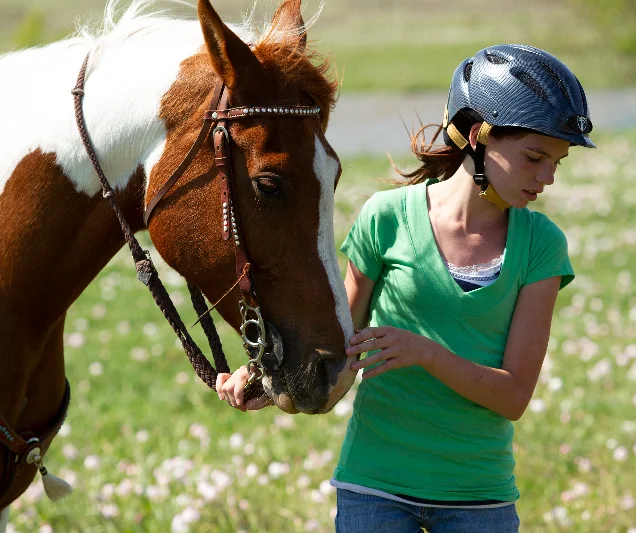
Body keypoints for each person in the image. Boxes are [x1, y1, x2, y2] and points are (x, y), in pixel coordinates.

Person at [216, 44, 595, 532]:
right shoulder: (386, 218)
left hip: (480, 501)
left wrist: (426, 353)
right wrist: (269, 380)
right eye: (535, 157)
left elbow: (514, 396)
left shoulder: (541, 246)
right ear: (479, 136)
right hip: (374, 490)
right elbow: (337, 351)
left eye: (556, 163)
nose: (546, 178)